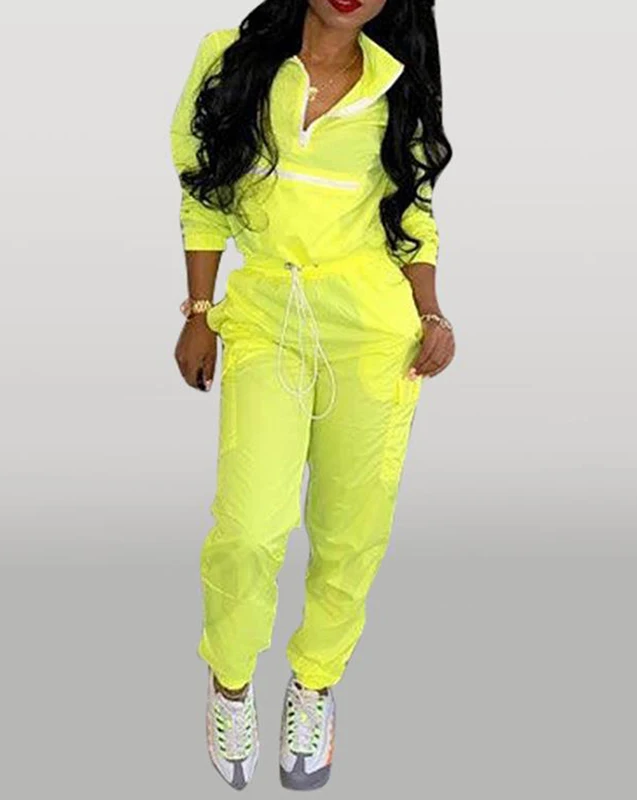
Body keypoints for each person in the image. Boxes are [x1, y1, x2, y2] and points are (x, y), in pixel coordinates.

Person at [170, 0, 454, 790]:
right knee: (250, 526)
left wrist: (431, 313)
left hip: (371, 331)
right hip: (266, 316)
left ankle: (316, 681)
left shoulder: (397, 84)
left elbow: (414, 214)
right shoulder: (230, 56)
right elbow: (203, 190)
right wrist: (199, 312)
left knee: (351, 529)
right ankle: (231, 683)